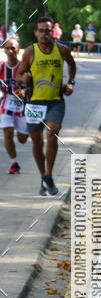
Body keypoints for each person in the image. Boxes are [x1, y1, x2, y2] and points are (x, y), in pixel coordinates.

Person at [15, 15, 76, 196]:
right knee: (36, 141)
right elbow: (19, 75)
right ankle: (43, 175)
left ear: (53, 32)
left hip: (55, 101)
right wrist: (23, 77)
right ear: (35, 33)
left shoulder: (62, 50)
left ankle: (48, 174)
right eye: (41, 30)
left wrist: (71, 82)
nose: (44, 34)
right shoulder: (29, 52)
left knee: (52, 133)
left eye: (47, 30)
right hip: (34, 103)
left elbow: (72, 65)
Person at [0, 37, 28, 173]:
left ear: (18, 50)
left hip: (23, 107)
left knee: (22, 139)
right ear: (4, 50)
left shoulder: (25, 67)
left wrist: (25, 91)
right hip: (7, 104)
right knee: (7, 132)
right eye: (7, 48)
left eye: (13, 48)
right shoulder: (1, 67)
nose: (10, 51)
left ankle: (20, 131)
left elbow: (35, 86)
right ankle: (14, 162)